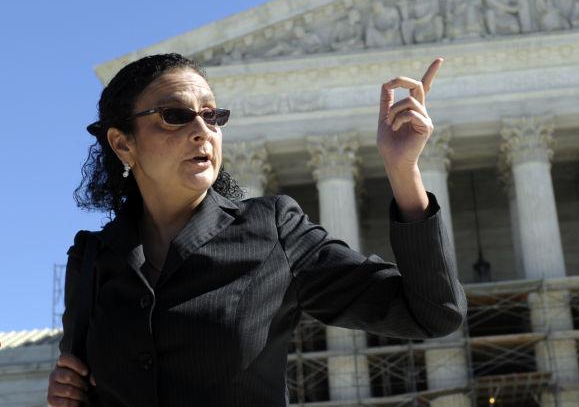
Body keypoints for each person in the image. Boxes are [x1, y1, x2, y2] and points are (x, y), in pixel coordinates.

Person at [47, 53, 466, 406]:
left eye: (212, 116)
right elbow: (79, 381)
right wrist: (68, 392)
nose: (202, 131)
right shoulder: (91, 257)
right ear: (123, 144)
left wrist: (402, 169)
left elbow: (433, 312)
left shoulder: (274, 231)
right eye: (176, 116)